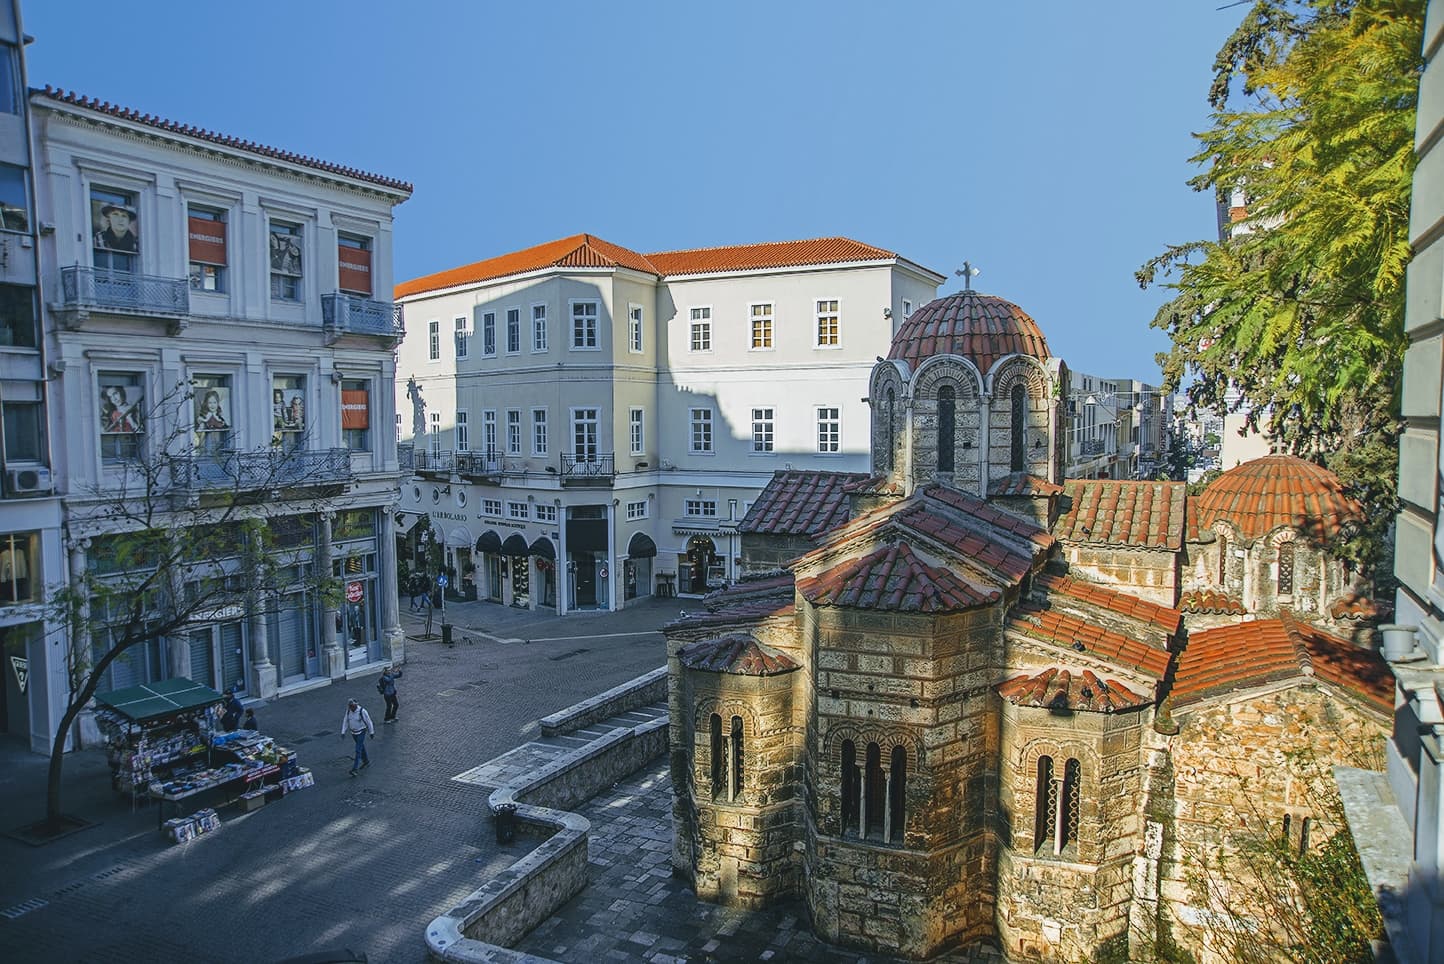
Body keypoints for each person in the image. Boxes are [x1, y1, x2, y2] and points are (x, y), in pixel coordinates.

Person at [339, 698, 374, 776]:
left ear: (356, 705)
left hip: (361, 732)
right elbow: (345, 721)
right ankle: (366, 761)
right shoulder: (348, 711)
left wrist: (371, 732)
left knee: (358, 750)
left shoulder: (362, 711)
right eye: (350, 706)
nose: (351, 708)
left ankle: (355, 769)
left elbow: (369, 722)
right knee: (361, 746)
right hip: (353, 733)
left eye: (352, 706)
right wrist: (343, 731)